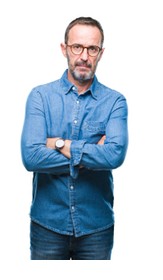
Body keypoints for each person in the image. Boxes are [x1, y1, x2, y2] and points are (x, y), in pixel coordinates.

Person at [21, 16, 128, 260]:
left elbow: (114, 155)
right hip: (47, 224)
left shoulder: (115, 102)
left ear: (101, 53)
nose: (84, 56)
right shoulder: (40, 97)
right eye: (77, 47)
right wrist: (91, 154)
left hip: (96, 227)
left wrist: (57, 143)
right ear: (64, 49)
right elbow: (31, 157)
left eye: (92, 49)